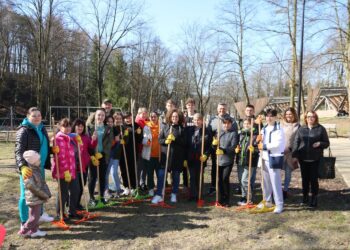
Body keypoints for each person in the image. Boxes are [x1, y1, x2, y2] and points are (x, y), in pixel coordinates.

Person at [15, 107, 54, 229]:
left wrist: (52, 150)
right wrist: (22, 167)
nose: (37, 117)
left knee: (39, 190)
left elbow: (43, 145)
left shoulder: (42, 128)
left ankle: (40, 214)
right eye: (34, 115)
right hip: (28, 168)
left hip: (39, 166)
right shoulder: (24, 130)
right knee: (25, 195)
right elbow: (18, 151)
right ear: (28, 117)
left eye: (39, 115)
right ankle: (24, 222)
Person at [292, 111, 329, 208]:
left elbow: (326, 143)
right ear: (305, 118)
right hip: (303, 159)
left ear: (315, 118)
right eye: (308, 117)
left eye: (312, 117)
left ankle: (314, 198)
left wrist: (320, 143)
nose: (310, 118)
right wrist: (294, 156)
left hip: (315, 159)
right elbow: (296, 142)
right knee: (305, 179)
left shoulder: (321, 129)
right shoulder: (301, 129)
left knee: (313, 180)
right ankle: (305, 197)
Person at [152, 109, 186, 204]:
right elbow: (159, 140)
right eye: (173, 117)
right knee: (161, 175)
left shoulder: (181, 129)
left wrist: (175, 139)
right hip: (165, 157)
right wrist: (165, 141)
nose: (174, 118)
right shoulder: (166, 127)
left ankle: (174, 193)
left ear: (179, 118)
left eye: (176, 117)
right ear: (170, 118)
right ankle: (159, 194)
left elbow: (184, 142)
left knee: (175, 176)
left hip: (177, 157)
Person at [51, 118, 81, 219]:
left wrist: (79, 142)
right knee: (63, 193)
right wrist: (65, 171)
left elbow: (77, 153)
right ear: (60, 127)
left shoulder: (71, 138)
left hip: (72, 169)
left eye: (69, 126)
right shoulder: (58, 139)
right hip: (62, 171)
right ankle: (60, 213)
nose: (67, 128)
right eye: (65, 126)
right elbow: (60, 157)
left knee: (76, 190)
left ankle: (72, 211)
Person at [257, 109, 286, 214]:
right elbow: (260, 142)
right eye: (267, 116)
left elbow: (278, 144)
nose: (269, 118)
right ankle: (267, 201)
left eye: (271, 116)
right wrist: (258, 139)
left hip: (273, 158)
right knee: (265, 183)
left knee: (275, 182)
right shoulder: (264, 128)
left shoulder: (279, 129)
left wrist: (264, 146)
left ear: (275, 117)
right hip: (263, 158)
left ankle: (279, 204)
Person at [18, 150, 51, 238]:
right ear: (33, 162)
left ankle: (34, 231)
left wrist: (47, 193)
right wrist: (44, 195)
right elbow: (33, 188)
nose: (40, 161)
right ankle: (24, 230)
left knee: (34, 216)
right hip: (33, 199)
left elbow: (42, 183)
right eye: (38, 160)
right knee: (34, 217)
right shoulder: (29, 172)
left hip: (37, 198)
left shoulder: (36, 169)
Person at [207, 103, 238, 195]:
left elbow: (234, 133)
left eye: (223, 108)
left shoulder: (232, 120)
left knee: (224, 173)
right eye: (220, 108)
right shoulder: (213, 120)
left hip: (227, 148)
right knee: (214, 167)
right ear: (217, 109)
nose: (222, 110)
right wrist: (213, 144)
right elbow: (209, 133)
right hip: (216, 147)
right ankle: (213, 186)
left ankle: (223, 189)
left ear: (226, 109)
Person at [87, 109, 115, 205]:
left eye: (102, 115)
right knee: (92, 177)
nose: (100, 117)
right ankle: (91, 198)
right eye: (99, 115)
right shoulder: (89, 127)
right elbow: (87, 143)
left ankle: (102, 197)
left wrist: (102, 152)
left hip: (103, 155)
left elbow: (110, 142)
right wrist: (92, 141)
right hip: (92, 156)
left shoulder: (108, 128)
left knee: (102, 177)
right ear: (95, 116)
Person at [71, 118, 97, 209]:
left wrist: (93, 140)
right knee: (75, 188)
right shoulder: (70, 136)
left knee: (82, 186)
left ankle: (77, 204)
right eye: (78, 126)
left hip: (84, 166)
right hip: (74, 166)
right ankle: (72, 205)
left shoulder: (86, 137)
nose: (80, 128)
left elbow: (91, 147)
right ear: (74, 126)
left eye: (82, 126)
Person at [185, 113, 212, 201]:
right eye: (195, 120)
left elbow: (209, 146)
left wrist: (206, 155)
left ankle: (199, 194)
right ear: (193, 121)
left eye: (198, 120)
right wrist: (185, 158)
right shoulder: (189, 130)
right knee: (192, 176)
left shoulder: (206, 131)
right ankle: (193, 195)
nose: (197, 121)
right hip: (191, 157)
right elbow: (186, 144)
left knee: (199, 176)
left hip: (201, 157)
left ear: (202, 121)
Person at [215, 116, 238, 206]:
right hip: (219, 160)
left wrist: (224, 150)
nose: (226, 125)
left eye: (228, 123)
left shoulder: (233, 134)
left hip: (228, 160)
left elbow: (233, 147)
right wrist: (214, 145)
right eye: (224, 123)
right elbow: (215, 146)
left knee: (224, 179)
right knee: (219, 180)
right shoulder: (219, 133)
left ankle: (227, 199)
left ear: (231, 124)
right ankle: (220, 198)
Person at [236, 118, 259, 206]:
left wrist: (255, 149)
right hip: (240, 160)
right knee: (240, 180)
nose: (246, 125)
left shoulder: (255, 134)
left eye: (248, 123)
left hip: (250, 160)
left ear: (251, 125)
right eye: (245, 123)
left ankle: (249, 199)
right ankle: (243, 197)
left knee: (245, 180)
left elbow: (259, 148)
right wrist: (237, 149)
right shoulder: (240, 134)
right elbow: (238, 144)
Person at [119, 112, 143, 195]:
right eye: (126, 118)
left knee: (133, 169)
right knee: (124, 170)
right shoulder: (121, 126)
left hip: (133, 151)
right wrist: (123, 137)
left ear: (132, 117)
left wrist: (139, 134)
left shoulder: (136, 126)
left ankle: (133, 187)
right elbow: (120, 138)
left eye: (129, 117)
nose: (127, 119)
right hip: (123, 152)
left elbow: (140, 140)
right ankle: (126, 187)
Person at [280, 107, 300, 200]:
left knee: (288, 173)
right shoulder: (280, 125)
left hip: (291, 153)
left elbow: (298, 141)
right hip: (280, 152)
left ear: (294, 115)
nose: (288, 116)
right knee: (277, 173)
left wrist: (292, 149)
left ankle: (285, 190)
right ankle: (276, 190)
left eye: (290, 114)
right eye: (287, 114)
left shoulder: (298, 126)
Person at [142, 111, 161, 196]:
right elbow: (144, 139)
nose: (153, 118)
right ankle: (151, 189)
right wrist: (147, 141)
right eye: (152, 117)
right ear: (150, 117)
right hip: (149, 154)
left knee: (159, 173)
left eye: (155, 116)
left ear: (157, 117)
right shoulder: (146, 127)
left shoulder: (161, 126)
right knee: (150, 173)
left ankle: (160, 188)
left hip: (159, 154)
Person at [135, 107, 149, 190]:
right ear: (139, 114)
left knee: (145, 167)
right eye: (142, 113)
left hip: (147, 148)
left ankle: (142, 182)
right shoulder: (137, 122)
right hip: (140, 148)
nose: (143, 115)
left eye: (145, 113)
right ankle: (137, 184)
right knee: (139, 167)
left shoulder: (147, 122)